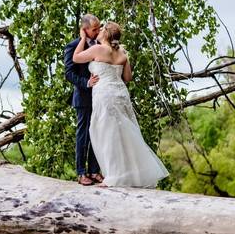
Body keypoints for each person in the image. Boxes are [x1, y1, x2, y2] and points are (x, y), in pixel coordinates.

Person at [72, 21, 168, 188]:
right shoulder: (122, 52)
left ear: (106, 34)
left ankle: (114, 176)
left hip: (105, 94)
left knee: (107, 133)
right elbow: (128, 78)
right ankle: (131, 174)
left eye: (101, 29)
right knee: (125, 133)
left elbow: (76, 57)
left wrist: (82, 39)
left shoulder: (97, 49)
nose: (99, 31)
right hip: (121, 94)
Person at [64, 14, 103, 186]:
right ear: (85, 30)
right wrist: (86, 83)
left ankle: (94, 171)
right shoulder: (73, 46)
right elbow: (69, 73)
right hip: (83, 97)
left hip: (101, 97)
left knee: (98, 133)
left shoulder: (102, 44)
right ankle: (81, 173)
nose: (98, 31)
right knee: (83, 136)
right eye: (95, 29)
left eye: (99, 28)